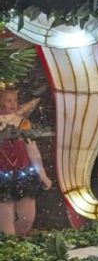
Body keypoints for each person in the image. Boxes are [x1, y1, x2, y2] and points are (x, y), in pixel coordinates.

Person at [0, 88, 52, 236]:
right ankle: (9, 246)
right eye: (8, 100)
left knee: (27, 217)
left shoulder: (23, 123)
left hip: (23, 174)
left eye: (15, 100)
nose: (12, 104)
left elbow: (33, 150)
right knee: (6, 219)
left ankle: (15, 243)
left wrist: (42, 174)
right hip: (1, 176)